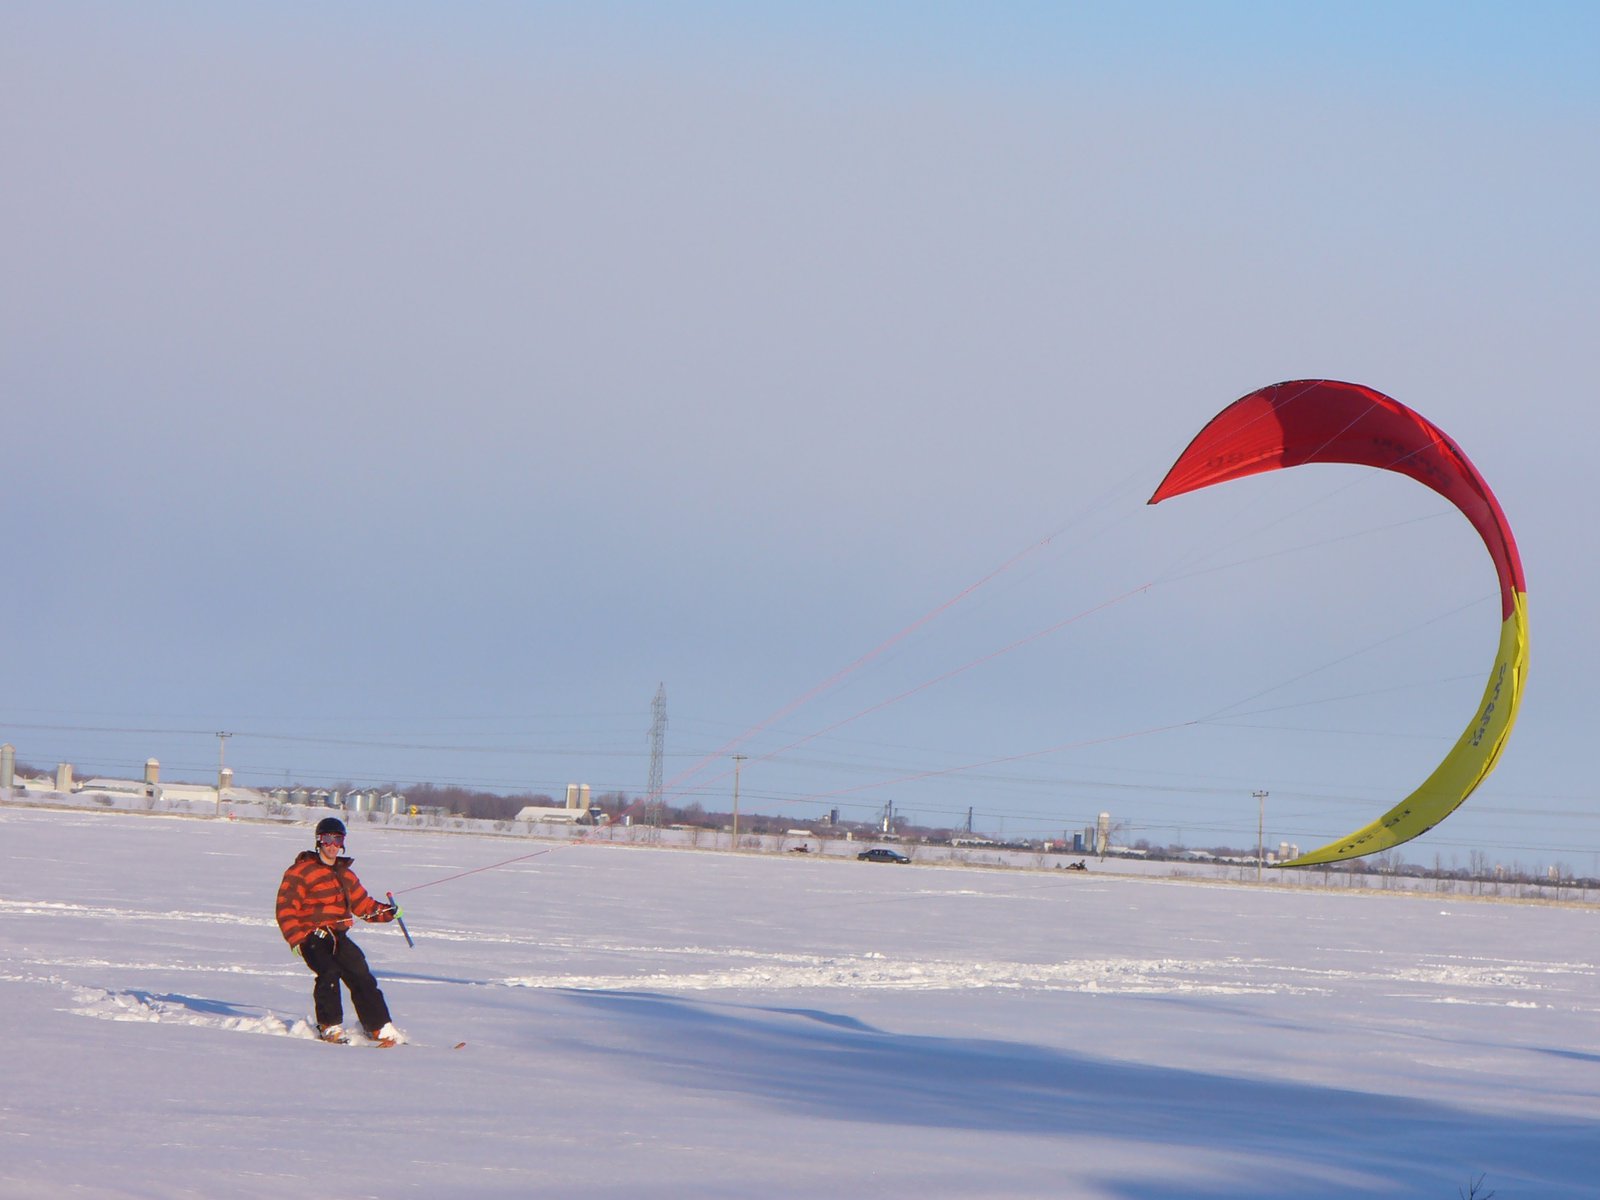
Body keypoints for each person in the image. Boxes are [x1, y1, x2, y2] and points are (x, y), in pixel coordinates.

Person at [275, 817, 405, 1045]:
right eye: (327, 839)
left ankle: (377, 1026)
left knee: (361, 974)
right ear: (319, 841)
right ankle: (329, 1025)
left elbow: (364, 906)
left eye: (338, 839)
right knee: (329, 973)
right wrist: (295, 937)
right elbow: (286, 906)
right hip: (311, 936)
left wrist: (388, 912)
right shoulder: (301, 871)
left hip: (338, 935)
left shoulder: (345, 874)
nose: (332, 845)